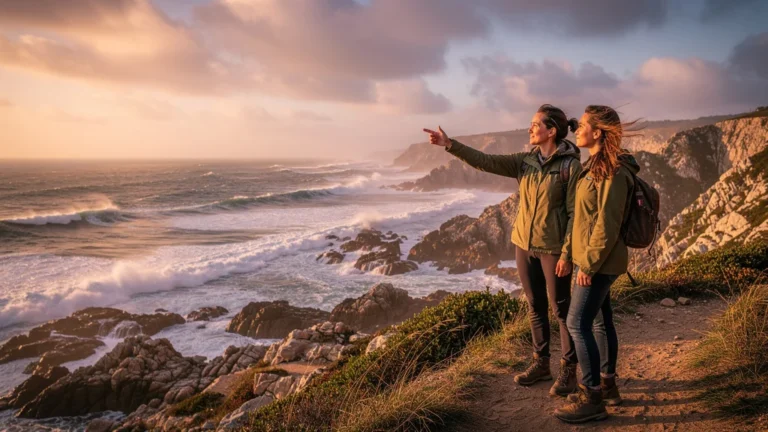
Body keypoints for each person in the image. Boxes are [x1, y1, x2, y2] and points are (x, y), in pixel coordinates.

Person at [423, 104, 582, 397]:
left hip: (553, 249)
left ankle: (569, 370)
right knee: (535, 306)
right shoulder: (526, 161)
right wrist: (450, 145)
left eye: (535, 125)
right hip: (524, 244)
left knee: (561, 309)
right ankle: (541, 363)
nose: (530, 128)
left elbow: (575, 214)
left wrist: (567, 254)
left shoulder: (570, 166)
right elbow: (486, 161)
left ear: (551, 131)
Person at [554, 105, 638, 423]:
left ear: (598, 132)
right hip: (592, 260)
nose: (577, 129)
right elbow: (585, 220)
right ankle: (608, 386)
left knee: (577, 323)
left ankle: (591, 398)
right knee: (600, 322)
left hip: (599, 263)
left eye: (583, 125)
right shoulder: (596, 165)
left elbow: (607, 223)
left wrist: (586, 266)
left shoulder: (613, 170)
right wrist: (569, 256)